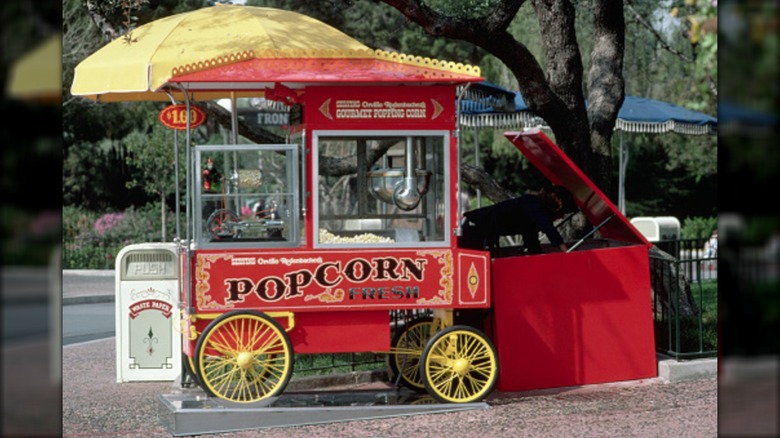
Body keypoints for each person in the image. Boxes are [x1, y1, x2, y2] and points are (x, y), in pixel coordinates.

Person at [459, 185, 577, 254]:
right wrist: (566, 252)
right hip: (474, 227)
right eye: (562, 212)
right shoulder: (535, 205)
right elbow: (549, 229)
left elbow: (531, 241)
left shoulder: (532, 211)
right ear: (557, 203)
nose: (561, 217)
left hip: (474, 226)